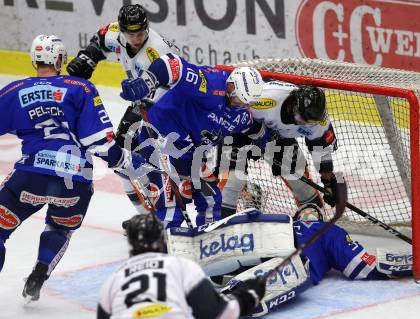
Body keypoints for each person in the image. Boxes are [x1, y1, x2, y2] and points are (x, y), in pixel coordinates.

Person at [0, 34, 150, 302]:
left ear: (34, 59)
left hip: (29, 177)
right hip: (75, 182)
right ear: (59, 59)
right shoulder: (80, 87)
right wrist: (127, 162)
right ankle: (41, 270)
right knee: (59, 227)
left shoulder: (14, 91)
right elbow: (100, 142)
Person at [166, 205, 414, 317]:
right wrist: (411, 263)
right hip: (284, 248)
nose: (310, 214)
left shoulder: (322, 229)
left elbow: (361, 264)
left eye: (312, 211)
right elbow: (362, 264)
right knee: (244, 280)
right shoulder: (327, 229)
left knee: (234, 266)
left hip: (282, 250)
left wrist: (407, 264)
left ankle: (180, 262)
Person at [118, 53, 265, 226]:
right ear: (231, 86)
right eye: (239, 99)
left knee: (211, 201)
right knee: (172, 211)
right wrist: (145, 82)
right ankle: (159, 245)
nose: (242, 105)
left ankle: (211, 241)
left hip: (190, 154)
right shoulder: (210, 84)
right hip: (160, 141)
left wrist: (264, 140)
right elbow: (172, 63)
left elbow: (254, 129)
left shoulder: (241, 114)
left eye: (247, 103)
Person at [67, 4, 180, 217]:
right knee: (120, 158)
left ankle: (164, 208)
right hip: (142, 103)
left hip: (166, 106)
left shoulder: (158, 51)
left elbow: (177, 81)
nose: (136, 38)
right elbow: (100, 38)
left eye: (140, 33)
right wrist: (88, 57)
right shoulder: (116, 34)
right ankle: (144, 216)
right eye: (131, 33)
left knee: (153, 159)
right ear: (123, 31)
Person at [97, 213, 266, 319]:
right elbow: (219, 313)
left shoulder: (113, 281)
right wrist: (248, 297)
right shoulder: (181, 267)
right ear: (162, 239)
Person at [215, 81, 346, 217]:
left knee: (301, 183)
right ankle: (221, 223)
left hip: (277, 136)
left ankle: (313, 222)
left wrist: (328, 180)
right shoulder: (264, 98)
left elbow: (320, 147)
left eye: (309, 122)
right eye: (300, 118)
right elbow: (228, 112)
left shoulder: (319, 122)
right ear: (292, 105)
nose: (303, 124)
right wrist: (255, 134)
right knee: (233, 181)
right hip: (239, 131)